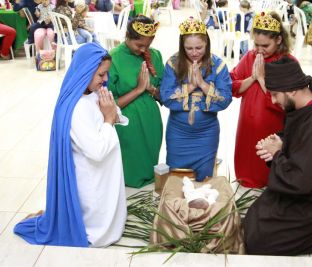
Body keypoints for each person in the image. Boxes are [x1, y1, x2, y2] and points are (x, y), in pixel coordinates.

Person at [14, 43, 128, 247]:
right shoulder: (75, 108)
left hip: (104, 173)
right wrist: (109, 119)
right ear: (86, 71)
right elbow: (97, 151)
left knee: (113, 209)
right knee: (99, 227)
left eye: (106, 74)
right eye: (101, 74)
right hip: (92, 176)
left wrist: (112, 114)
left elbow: (109, 113)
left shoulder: (93, 93)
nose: (105, 79)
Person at [243, 57, 312, 256]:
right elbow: (298, 140)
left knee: (258, 243)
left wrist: (276, 154)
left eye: (275, 94)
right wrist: (278, 144)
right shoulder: (303, 106)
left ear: (292, 90)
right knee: (252, 220)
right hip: (301, 191)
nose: (273, 100)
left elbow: (300, 181)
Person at [160, 17, 232, 182]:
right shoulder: (173, 63)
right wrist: (191, 86)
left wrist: (202, 83)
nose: (194, 52)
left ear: (206, 43)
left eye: (199, 47)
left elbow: (225, 100)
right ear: (182, 46)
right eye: (189, 48)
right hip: (178, 133)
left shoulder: (218, 65)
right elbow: (166, 98)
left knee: (204, 181)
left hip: (207, 134)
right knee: (177, 181)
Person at [230, 11, 295, 189]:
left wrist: (261, 79)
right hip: (247, 123)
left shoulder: (287, 62)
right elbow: (233, 84)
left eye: (265, 45)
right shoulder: (251, 56)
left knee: (266, 160)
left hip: (271, 124)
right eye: (256, 44)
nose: (259, 50)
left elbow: (288, 102)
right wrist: (252, 78)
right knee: (247, 163)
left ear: (279, 40)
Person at [108, 15, 164, 188]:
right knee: (129, 175)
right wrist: (139, 89)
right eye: (139, 45)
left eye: (147, 45)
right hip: (126, 124)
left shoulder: (155, 55)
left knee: (150, 172)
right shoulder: (113, 58)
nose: (143, 50)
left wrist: (151, 89)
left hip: (151, 121)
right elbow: (109, 105)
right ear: (127, 37)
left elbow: (164, 96)